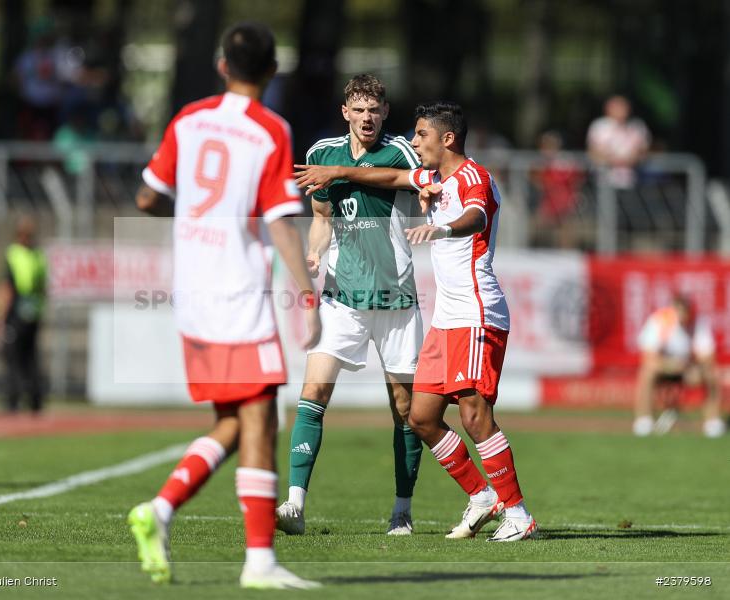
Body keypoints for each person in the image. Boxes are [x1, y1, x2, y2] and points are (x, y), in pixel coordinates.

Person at [128, 22, 321, 590]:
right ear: (271, 71)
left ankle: (160, 510)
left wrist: (194, 214)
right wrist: (308, 294)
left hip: (192, 293)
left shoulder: (187, 120)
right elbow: (283, 220)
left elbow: (146, 197)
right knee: (262, 416)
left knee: (237, 418)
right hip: (237, 292)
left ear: (221, 66)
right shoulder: (270, 130)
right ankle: (259, 562)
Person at [294, 101, 538, 542]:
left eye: (421, 134)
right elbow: (389, 177)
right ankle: (481, 496)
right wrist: (337, 173)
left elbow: (475, 217)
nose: (413, 142)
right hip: (447, 319)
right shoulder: (434, 178)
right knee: (420, 416)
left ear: (447, 139)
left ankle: (518, 513)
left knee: (474, 414)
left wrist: (443, 229)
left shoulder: (473, 177)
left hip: (476, 312)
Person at [274, 74, 425, 538]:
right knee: (313, 392)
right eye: (358, 109)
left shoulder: (402, 151)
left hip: (395, 298)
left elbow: (408, 181)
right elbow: (321, 219)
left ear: (385, 112)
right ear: (346, 112)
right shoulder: (321, 154)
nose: (367, 118)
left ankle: (402, 509)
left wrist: (340, 174)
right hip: (342, 295)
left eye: (374, 109)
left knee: (405, 408)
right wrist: (316, 250)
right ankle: (294, 503)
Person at [633, 295, 726, 438]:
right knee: (647, 372)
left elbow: (707, 356)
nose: (682, 316)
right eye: (678, 311)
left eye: (685, 312)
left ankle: (712, 422)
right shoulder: (660, 321)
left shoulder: (698, 322)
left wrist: (696, 368)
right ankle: (644, 420)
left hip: (688, 368)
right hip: (664, 368)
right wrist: (670, 365)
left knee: (711, 374)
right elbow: (649, 357)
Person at [0, 215, 47, 414]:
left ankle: (12, 400)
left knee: (13, 357)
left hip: (16, 313)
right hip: (33, 312)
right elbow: (42, 288)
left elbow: (7, 287)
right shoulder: (39, 256)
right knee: (30, 358)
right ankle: (35, 400)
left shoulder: (13, 254)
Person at [586, 94, 650, 191]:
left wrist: (629, 160)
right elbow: (594, 151)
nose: (621, 110)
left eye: (623, 107)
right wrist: (615, 160)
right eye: (617, 107)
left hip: (631, 183)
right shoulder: (599, 126)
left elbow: (643, 151)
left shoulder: (637, 126)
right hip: (604, 182)